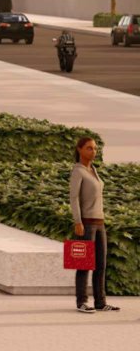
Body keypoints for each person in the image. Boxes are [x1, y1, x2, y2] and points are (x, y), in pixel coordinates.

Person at [71, 134, 118, 314]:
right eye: (89, 148)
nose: (93, 151)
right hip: (87, 224)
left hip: (100, 223)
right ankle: (82, 301)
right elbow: (74, 197)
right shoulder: (78, 171)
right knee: (84, 263)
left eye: (95, 148)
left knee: (101, 264)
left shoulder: (93, 170)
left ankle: (100, 301)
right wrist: (78, 221)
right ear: (80, 150)